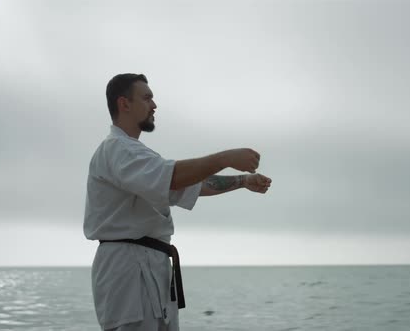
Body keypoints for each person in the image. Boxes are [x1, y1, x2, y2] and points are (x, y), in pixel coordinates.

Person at [84, 73, 272, 331]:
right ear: (124, 103)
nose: (154, 105)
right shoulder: (118, 149)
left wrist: (242, 181)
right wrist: (225, 157)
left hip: (150, 267)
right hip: (128, 270)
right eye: (147, 97)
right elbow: (173, 177)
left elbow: (186, 184)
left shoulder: (135, 154)